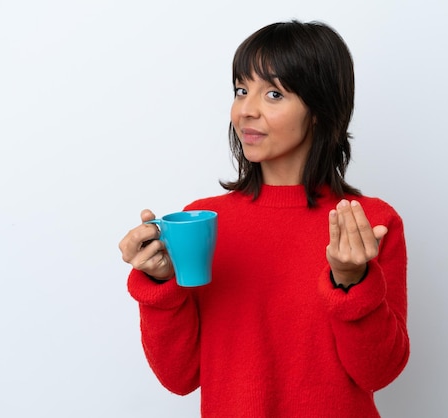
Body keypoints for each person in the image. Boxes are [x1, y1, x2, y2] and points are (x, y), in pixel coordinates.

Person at [119, 20, 409, 417]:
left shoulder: (371, 223)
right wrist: (159, 282)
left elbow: (378, 372)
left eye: (274, 93)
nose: (246, 110)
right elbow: (180, 377)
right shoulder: (202, 222)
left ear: (320, 111)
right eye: (241, 90)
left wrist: (351, 282)